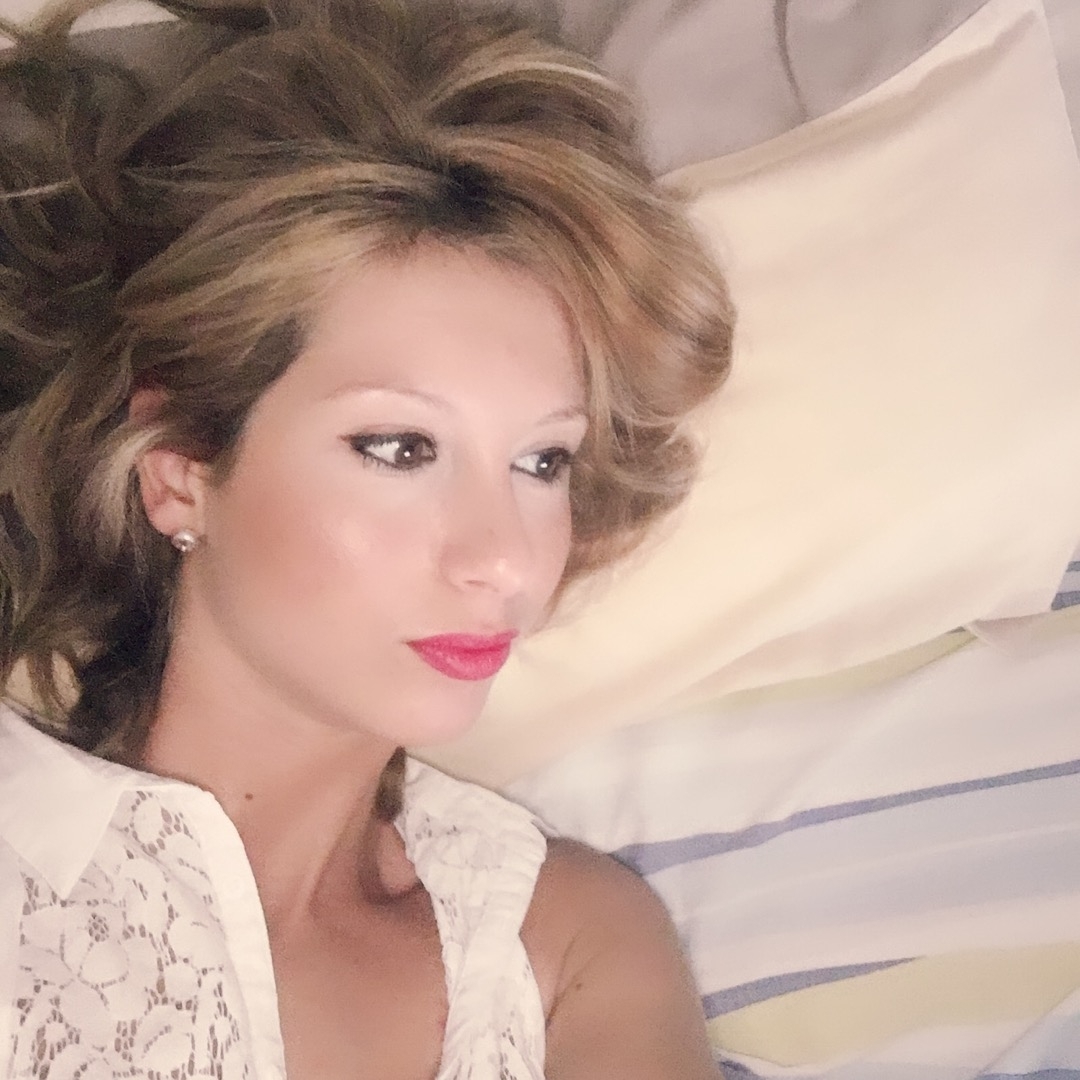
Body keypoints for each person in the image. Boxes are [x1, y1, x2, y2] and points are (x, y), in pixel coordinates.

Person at [0, 0, 734, 1075]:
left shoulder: (570, 945)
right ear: (179, 470)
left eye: (543, 461)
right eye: (400, 448)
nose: (503, 558)